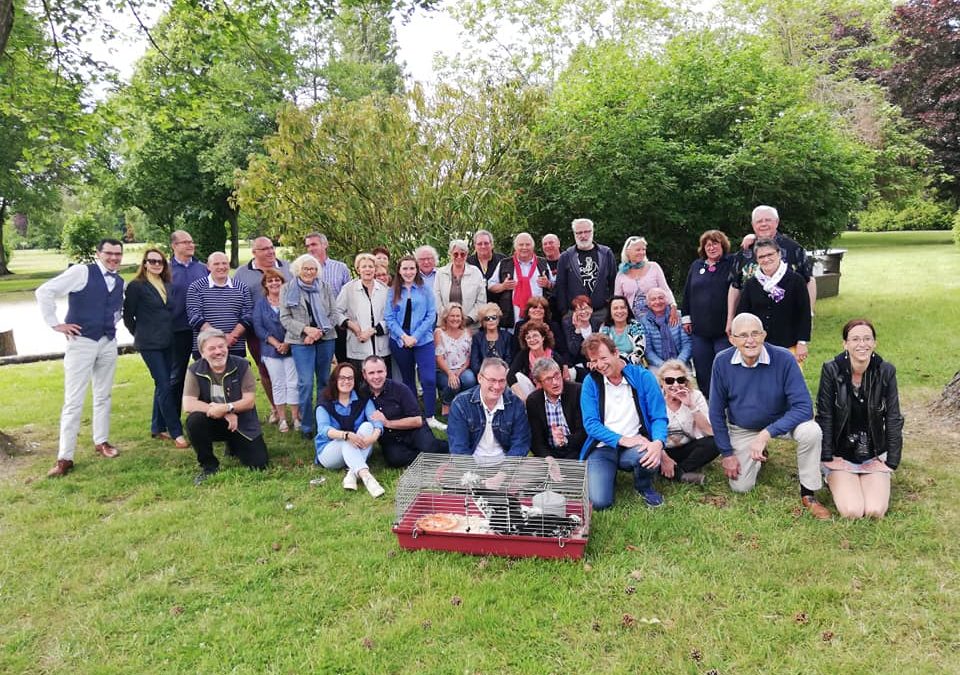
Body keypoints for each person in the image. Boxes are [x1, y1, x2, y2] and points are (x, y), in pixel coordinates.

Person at [708, 313, 830, 519]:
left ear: (764, 335)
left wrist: (766, 434)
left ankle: (808, 493)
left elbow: (804, 408)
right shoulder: (722, 362)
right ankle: (757, 454)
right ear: (732, 339)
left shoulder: (783, 358)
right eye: (743, 335)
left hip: (780, 422)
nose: (750, 340)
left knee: (811, 431)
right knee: (741, 487)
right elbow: (716, 412)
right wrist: (727, 454)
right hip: (743, 427)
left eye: (755, 333)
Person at [37, 238, 125, 477]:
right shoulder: (81, 272)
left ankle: (102, 441)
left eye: (118, 254)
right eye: (109, 253)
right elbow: (45, 291)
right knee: (74, 400)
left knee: (103, 395)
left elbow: (116, 311)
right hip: (82, 342)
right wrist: (56, 324)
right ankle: (65, 457)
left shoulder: (119, 281)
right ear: (98, 253)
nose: (114, 258)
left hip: (107, 342)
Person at [816, 319, 904, 519]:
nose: (861, 344)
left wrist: (890, 462)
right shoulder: (831, 369)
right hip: (841, 454)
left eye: (867, 338)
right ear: (845, 344)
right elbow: (825, 415)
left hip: (873, 454)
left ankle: (868, 479)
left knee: (874, 511)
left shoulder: (886, 371)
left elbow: (893, 417)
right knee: (852, 511)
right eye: (855, 339)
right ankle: (834, 478)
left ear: (875, 343)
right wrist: (828, 456)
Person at [579, 334, 668, 509]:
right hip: (603, 447)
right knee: (599, 502)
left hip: (636, 444)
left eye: (604, 358)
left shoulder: (643, 377)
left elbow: (658, 416)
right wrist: (623, 440)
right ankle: (606, 475)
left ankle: (644, 486)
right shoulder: (590, 382)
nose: (600, 365)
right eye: (594, 360)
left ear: (616, 353)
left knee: (648, 453)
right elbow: (591, 424)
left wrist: (658, 442)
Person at [122, 248, 189, 449]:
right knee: (165, 385)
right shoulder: (136, 286)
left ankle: (157, 426)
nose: (156, 264)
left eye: (160, 261)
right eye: (152, 261)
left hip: (168, 341)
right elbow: (128, 317)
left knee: (162, 384)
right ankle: (176, 432)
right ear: (144, 264)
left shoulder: (166, 283)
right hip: (149, 344)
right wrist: (140, 334)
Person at [183, 329, 268, 485]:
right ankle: (209, 466)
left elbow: (249, 402)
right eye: (212, 348)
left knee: (259, 464)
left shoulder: (242, 365)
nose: (218, 352)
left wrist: (227, 407)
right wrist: (224, 412)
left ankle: (233, 445)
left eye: (221, 346)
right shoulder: (194, 370)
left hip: (241, 422)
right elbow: (188, 404)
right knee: (194, 420)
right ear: (202, 353)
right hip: (213, 419)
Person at [727, 205, 815, 334]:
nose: (763, 224)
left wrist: (809, 314)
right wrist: (731, 319)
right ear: (753, 225)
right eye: (759, 221)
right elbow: (735, 286)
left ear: (777, 222)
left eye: (768, 220)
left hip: (788, 323)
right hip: (752, 325)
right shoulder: (745, 251)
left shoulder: (794, 249)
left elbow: (809, 280)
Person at [234, 236, 292, 424]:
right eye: (264, 249)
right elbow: (240, 303)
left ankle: (295, 410)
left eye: (272, 247)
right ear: (254, 252)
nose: (270, 251)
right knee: (266, 370)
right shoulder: (242, 273)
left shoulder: (287, 267)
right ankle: (276, 408)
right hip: (256, 330)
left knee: (292, 370)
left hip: (288, 328)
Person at [280, 254, 339, 438]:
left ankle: (323, 422)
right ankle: (306, 425)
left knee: (324, 382)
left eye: (313, 268)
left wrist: (317, 332)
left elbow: (334, 314)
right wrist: (306, 330)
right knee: (305, 383)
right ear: (298, 270)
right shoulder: (287, 289)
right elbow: (285, 318)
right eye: (306, 268)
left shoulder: (325, 287)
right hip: (300, 341)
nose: (309, 272)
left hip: (326, 338)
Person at [385, 255, 442, 429]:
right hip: (400, 340)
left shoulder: (425, 290)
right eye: (405, 269)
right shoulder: (393, 290)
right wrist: (403, 336)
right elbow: (389, 317)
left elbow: (431, 315)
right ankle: (414, 414)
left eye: (411, 268)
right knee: (407, 378)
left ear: (416, 270)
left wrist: (415, 337)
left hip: (422, 339)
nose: (408, 272)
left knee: (428, 378)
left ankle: (430, 416)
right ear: (399, 271)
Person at [736, 237, 811, 366]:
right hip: (758, 347)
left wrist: (802, 342)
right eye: (761, 257)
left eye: (770, 254)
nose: (766, 259)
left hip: (789, 345)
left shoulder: (796, 280)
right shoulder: (751, 284)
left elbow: (804, 313)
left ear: (779, 254)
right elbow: (743, 315)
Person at [361, 356, 448, 467]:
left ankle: (443, 448)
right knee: (395, 460)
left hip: (413, 431)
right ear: (364, 375)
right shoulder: (362, 394)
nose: (376, 376)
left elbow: (417, 421)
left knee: (429, 448)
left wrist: (388, 423)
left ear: (386, 371)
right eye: (371, 373)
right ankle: (427, 457)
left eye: (380, 371)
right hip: (390, 438)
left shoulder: (400, 389)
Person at [314, 362, 386, 497]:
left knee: (368, 426)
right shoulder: (325, 401)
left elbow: (376, 422)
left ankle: (351, 474)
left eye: (350, 378)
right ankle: (367, 477)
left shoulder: (363, 399)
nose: (346, 381)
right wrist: (346, 435)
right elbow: (323, 429)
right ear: (335, 380)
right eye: (342, 378)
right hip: (329, 452)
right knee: (347, 440)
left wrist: (373, 438)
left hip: (358, 446)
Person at [681, 229, 734, 396]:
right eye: (708, 245)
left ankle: (727, 404)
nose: (711, 248)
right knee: (703, 370)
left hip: (724, 330)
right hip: (700, 331)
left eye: (715, 244)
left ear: (723, 245)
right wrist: (686, 318)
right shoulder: (697, 266)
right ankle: (707, 404)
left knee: (724, 367)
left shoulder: (731, 263)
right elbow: (687, 293)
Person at [448, 357, 531, 462]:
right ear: (480, 378)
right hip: (471, 466)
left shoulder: (516, 404)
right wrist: (472, 476)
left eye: (501, 381)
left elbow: (520, 443)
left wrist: (503, 474)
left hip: (506, 464)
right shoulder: (460, 404)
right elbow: (459, 447)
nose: (497, 386)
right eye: (492, 380)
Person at [252, 268, 300, 433]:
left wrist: (286, 343)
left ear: (282, 282)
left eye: (277, 280)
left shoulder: (291, 301)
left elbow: (297, 321)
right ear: (265, 284)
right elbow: (258, 327)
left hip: (292, 347)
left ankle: (295, 418)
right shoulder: (260, 304)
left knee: (293, 383)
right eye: (270, 280)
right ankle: (282, 419)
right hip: (270, 350)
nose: (274, 283)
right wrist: (276, 343)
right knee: (278, 384)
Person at [657, 359, 719, 485]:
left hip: (687, 447)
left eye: (680, 380)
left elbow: (709, 431)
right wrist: (664, 458)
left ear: (686, 382)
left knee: (715, 442)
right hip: (662, 450)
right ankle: (681, 476)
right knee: (645, 454)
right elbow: (647, 434)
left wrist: (691, 406)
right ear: (662, 383)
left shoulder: (695, 396)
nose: (675, 385)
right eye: (669, 380)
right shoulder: (655, 398)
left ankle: (677, 471)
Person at [168, 229, 208, 424]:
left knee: (205, 373)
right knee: (176, 376)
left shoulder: (202, 268)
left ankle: (204, 415)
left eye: (192, 242)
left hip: (202, 330)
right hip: (178, 330)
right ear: (174, 245)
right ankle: (172, 420)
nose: (191, 245)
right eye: (185, 242)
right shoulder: (166, 270)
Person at [186, 251, 253, 358]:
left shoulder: (241, 287)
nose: (221, 267)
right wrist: (220, 338)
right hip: (207, 347)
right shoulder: (196, 287)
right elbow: (194, 317)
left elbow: (248, 315)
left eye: (224, 263)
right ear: (208, 266)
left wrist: (232, 336)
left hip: (235, 346)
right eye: (216, 264)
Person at [336, 252, 390, 373]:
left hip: (381, 344)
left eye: (371, 266)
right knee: (361, 382)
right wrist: (351, 325)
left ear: (375, 269)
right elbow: (336, 312)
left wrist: (373, 330)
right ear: (358, 269)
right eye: (364, 266)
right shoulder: (348, 289)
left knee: (380, 380)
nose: (367, 269)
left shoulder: (385, 290)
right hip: (358, 343)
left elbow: (391, 317)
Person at [487, 232, 553, 329]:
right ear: (515, 247)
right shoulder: (504, 263)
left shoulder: (542, 263)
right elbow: (490, 286)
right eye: (521, 245)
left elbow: (554, 285)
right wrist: (503, 286)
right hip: (511, 320)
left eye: (527, 244)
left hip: (538, 318)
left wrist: (548, 284)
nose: (524, 248)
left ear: (533, 247)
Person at [554, 218, 617, 318]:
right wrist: (564, 312)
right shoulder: (566, 257)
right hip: (575, 314)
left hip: (602, 313)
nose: (583, 236)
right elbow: (560, 287)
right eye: (579, 233)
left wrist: (610, 306)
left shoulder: (606, 254)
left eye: (586, 232)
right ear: (574, 234)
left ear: (592, 232)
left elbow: (613, 282)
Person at [305, 232, 351, 363]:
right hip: (313, 324)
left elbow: (349, 296)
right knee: (320, 364)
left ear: (325, 244)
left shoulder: (340, 268)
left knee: (344, 362)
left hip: (338, 323)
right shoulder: (303, 270)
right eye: (307, 246)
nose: (310, 249)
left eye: (314, 244)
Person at [526, 357, 584, 459]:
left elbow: (584, 432)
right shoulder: (533, 401)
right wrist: (548, 457)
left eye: (557, 375)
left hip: (577, 449)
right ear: (538, 382)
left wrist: (565, 440)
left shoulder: (577, 391)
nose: (555, 382)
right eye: (548, 379)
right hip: (549, 453)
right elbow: (536, 440)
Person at [614, 236, 678, 323]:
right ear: (628, 251)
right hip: (632, 321)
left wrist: (673, 305)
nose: (642, 252)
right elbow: (617, 300)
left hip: (657, 317)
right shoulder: (621, 274)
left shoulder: (654, 267)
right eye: (638, 250)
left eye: (643, 249)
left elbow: (665, 289)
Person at [435, 303, 477, 416]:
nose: (455, 319)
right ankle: (446, 403)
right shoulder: (439, 332)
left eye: (458, 316)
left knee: (469, 379)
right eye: (452, 316)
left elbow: (469, 356)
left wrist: (461, 370)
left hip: (463, 368)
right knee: (453, 384)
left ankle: (463, 404)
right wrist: (450, 373)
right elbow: (438, 357)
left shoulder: (467, 332)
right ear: (446, 317)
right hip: (444, 370)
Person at [434, 239, 487, 326]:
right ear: (450, 254)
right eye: (455, 254)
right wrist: (448, 318)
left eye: (462, 254)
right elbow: (437, 299)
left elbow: (481, 301)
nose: (459, 257)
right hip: (445, 325)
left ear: (466, 255)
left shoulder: (475, 272)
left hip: (470, 325)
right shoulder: (441, 273)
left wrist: (468, 319)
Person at [640, 288, 692, 372]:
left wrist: (678, 363)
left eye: (661, 298)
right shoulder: (644, 321)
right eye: (653, 299)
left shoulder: (679, 315)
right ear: (648, 304)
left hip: (681, 362)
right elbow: (648, 350)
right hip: (657, 365)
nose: (658, 302)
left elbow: (687, 344)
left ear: (667, 300)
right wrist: (664, 365)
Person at [508, 320, 559, 402]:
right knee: (517, 376)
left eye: (535, 336)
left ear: (543, 337)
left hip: (551, 390)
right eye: (528, 337)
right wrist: (524, 399)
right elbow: (510, 375)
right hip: (531, 392)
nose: (532, 340)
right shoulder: (523, 354)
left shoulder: (554, 355)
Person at [560, 295, 599, 381]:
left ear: (591, 309)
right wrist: (577, 330)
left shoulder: (596, 323)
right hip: (577, 364)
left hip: (595, 361)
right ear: (574, 312)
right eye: (580, 309)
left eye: (586, 308)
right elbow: (573, 351)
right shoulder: (569, 325)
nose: (584, 312)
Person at [599, 295, 646, 365]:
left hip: (633, 365)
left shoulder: (636, 326)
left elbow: (639, 351)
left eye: (622, 307)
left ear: (627, 310)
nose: (619, 311)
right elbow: (603, 351)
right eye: (615, 308)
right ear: (610, 312)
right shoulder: (605, 328)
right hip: (610, 365)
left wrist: (623, 363)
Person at [469, 302, 514, 374]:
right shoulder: (477, 338)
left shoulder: (507, 336)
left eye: (494, 317)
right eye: (487, 318)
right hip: (483, 374)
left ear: (498, 319)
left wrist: (501, 372)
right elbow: (475, 363)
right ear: (483, 322)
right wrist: (486, 374)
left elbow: (509, 360)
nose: (491, 320)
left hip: (503, 373)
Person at [467, 229, 506, 310]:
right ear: (475, 245)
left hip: (499, 309)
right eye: (479, 244)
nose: (483, 246)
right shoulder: (468, 263)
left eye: (486, 243)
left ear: (492, 244)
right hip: (475, 310)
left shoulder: (503, 260)